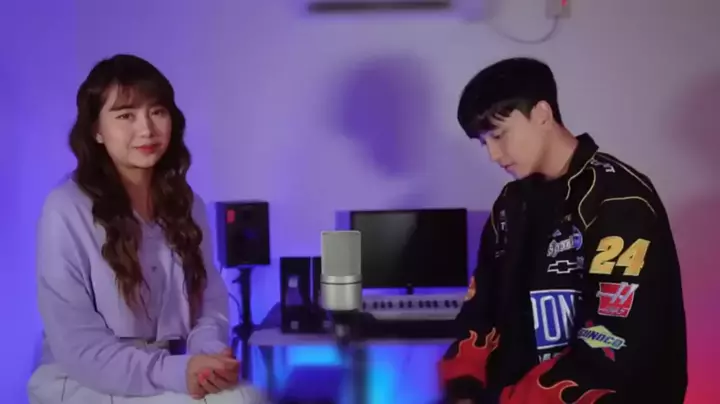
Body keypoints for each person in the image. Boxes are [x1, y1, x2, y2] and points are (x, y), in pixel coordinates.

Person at [439, 57, 687, 403]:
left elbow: (615, 340)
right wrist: (463, 387)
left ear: (542, 114)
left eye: (499, 135)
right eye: (484, 143)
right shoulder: (510, 204)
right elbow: (480, 309)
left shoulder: (619, 198)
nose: (493, 154)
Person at [28, 54, 267, 404]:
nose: (147, 129)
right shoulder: (65, 208)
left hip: (168, 373)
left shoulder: (188, 204)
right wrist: (178, 371)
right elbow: (79, 346)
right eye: (126, 115)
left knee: (245, 396)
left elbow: (210, 303)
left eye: (157, 111)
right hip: (87, 381)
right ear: (96, 130)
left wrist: (208, 359)